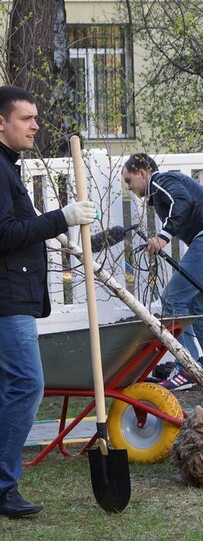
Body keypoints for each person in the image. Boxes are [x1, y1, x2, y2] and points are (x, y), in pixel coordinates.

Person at [0, 85, 98, 517]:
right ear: (1, 122)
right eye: (27, 118)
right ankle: (3, 486)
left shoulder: (8, 167)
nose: (36, 125)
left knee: (9, 387)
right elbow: (4, 235)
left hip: (12, 294)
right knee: (27, 384)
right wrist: (61, 218)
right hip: (6, 299)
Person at [121, 153, 203, 390]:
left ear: (143, 173)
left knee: (173, 299)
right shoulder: (163, 186)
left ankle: (187, 368)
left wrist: (163, 237)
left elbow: (182, 201)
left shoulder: (161, 180)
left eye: (129, 180)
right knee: (196, 306)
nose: (129, 188)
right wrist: (202, 292)